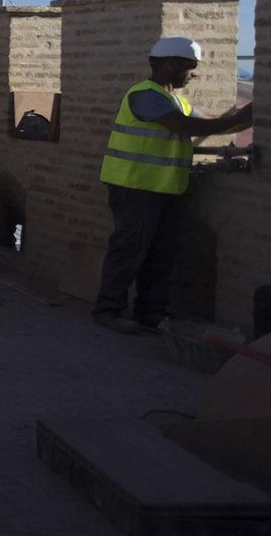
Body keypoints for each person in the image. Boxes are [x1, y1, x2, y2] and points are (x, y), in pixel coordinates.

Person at [93, 36, 252, 335]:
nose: (192, 74)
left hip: (167, 189)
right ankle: (107, 309)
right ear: (168, 65)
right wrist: (242, 117)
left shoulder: (177, 100)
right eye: (189, 68)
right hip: (135, 186)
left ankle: (150, 313)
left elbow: (216, 123)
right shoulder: (144, 95)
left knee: (161, 255)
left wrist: (244, 119)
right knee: (129, 250)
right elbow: (188, 127)